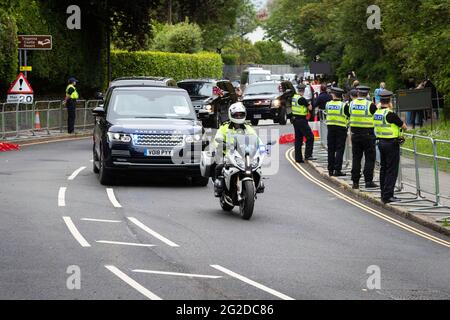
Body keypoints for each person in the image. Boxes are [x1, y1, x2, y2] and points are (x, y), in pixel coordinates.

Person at [212, 102, 261, 196]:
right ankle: (218, 187)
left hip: (244, 154)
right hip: (227, 154)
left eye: (241, 114)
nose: (238, 117)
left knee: (257, 167)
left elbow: (256, 139)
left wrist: (263, 147)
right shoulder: (224, 127)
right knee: (219, 166)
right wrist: (220, 144)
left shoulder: (247, 128)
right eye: (236, 115)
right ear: (231, 114)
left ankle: (258, 185)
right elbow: (217, 138)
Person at [374, 91, 407, 204]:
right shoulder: (390, 114)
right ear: (390, 102)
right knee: (391, 170)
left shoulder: (377, 113)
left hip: (381, 143)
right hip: (391, 144)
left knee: (383, 169)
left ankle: (383, 193)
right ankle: (388, 196)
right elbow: (404, 126)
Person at [344, 86, 378, 189]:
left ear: (358, 93)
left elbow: (347, 113)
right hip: (368, 135)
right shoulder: (370, 105)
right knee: (369, 158)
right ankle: (368, 181)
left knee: (356, 158)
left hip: (355, 135)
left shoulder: (351, 104)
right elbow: (376, 116)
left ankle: (355, 182)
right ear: (367, 94)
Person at [325, 87, 349, 177]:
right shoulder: (344, 105)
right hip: (341, 129)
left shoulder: (328, 104)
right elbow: (348, 115)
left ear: (333, 95)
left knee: (331, 149)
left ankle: (330, 170)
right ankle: (337, 170)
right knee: (339, 149)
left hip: (330, 128)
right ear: (341, 96)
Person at [291, 84, 315, 163]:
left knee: (298, 139)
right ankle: (308, 155)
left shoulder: (294, 97)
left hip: (295, 120)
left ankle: (298, 158)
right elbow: (310, 108)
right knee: (310, 137)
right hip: (302, 120)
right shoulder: (302, 99)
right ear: (304, 91)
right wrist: (309, 103)